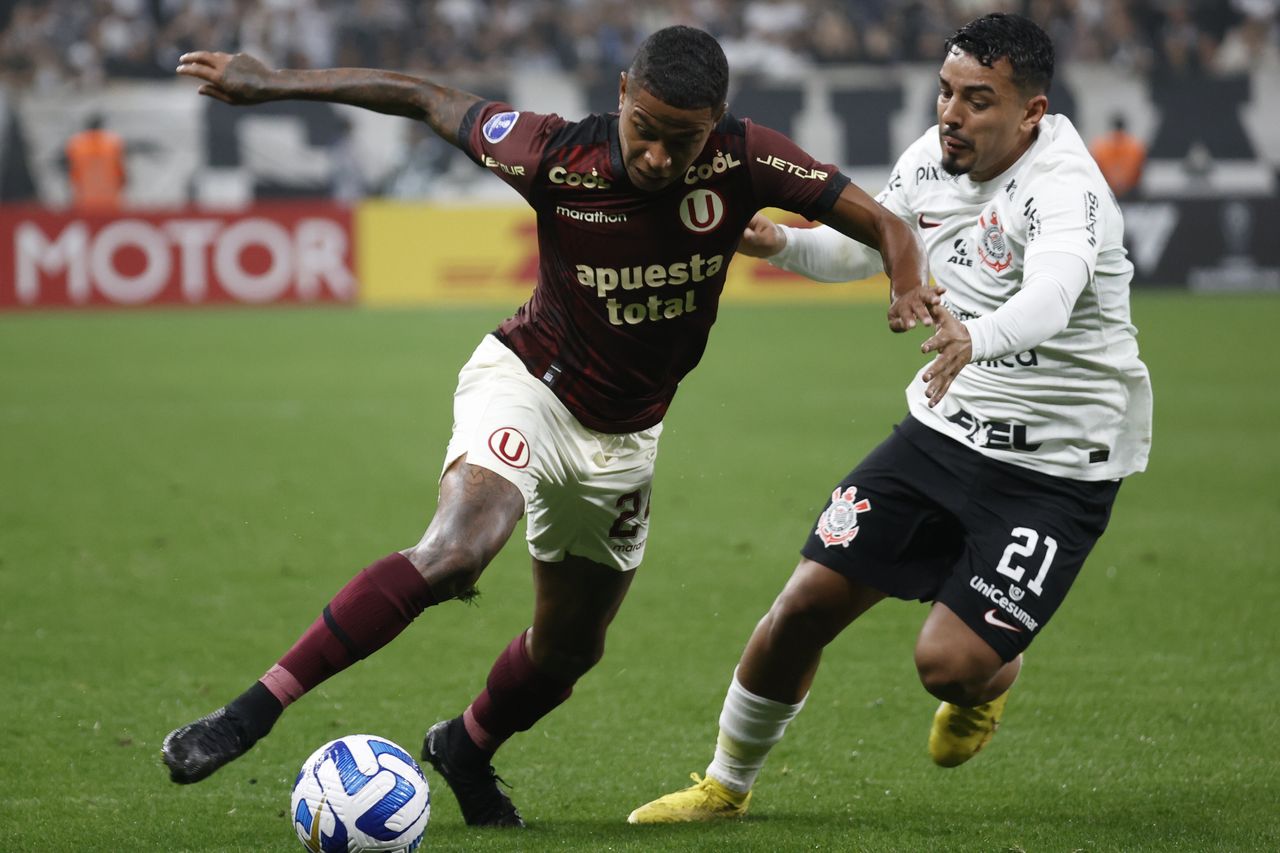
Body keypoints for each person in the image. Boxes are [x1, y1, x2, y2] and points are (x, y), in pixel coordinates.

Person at [162, 25, 944, 828]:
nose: (661, 159)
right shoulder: (554, 154)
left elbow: (885, 225)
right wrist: (271, 83)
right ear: (621, 98)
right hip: (530, 383)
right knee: (456, 550)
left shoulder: (749, 158)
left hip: (626, 438)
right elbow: (424, 97)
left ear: (717, 124)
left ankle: (465, 746)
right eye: (647, 130)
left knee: (569, 648)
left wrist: (906, 282)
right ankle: (251, 710)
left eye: (686, 141)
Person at [629, 13, 1152, 824]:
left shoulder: (1068, 189)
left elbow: (1051, 297)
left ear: (1031, 113)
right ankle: (724, 785)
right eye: (947, 93)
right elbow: (865, 248)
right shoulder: (932, 159)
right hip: (942, 432)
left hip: (1056, 467)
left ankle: (989, 679)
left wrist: (976, 336)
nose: (952, 114)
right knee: (801, 604)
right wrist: (780, 244)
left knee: (948, 664)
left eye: (979, 101)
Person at [65, 114, 127, 211]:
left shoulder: (76, 144)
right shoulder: (113, 143)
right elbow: (122, 173)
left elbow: (70, 171)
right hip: (110, 198)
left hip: (84, 198)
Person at [1089, 114, 1146, 199]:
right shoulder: (1136, 146)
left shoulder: (1100, 146)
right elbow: (1139, 170)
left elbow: (1095, 169)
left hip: (1107, 193)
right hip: (1130, 194)